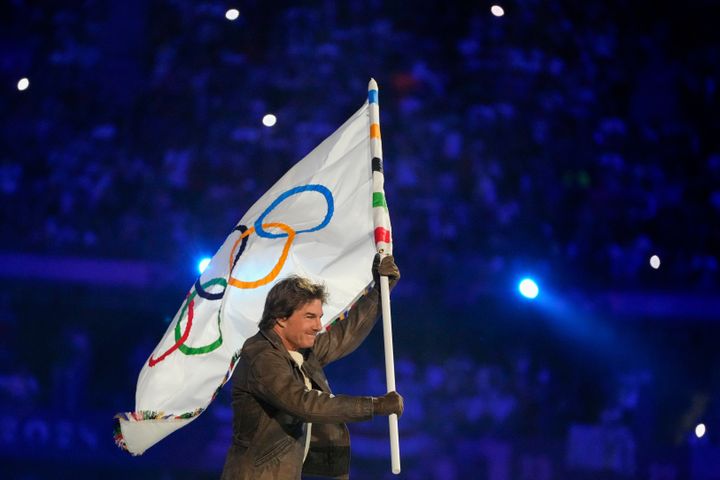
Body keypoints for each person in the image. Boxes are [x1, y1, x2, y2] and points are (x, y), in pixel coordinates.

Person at [221, 255, 404, 479]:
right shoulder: (261, 356)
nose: (318, 326)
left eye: (319, 317)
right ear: (280, 318)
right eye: (310, 317)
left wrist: (380, 291)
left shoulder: (300, 350)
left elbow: (345, 334)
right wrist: (374, 406)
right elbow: (304, 403)